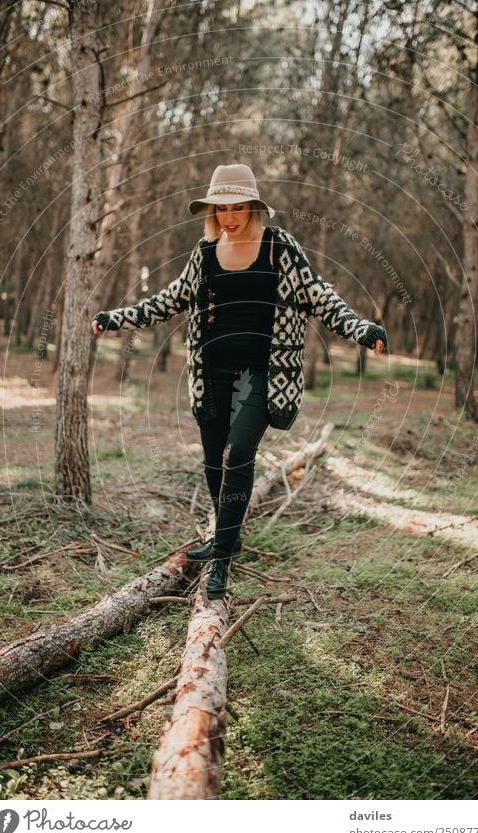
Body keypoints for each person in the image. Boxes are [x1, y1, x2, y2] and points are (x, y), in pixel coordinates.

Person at [91, 163, 388, 600]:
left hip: (267, 376)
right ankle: (226, 535)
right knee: (215, 462)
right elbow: (169, 299)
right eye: (220, 208)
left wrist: (361, 328)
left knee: (239, 451)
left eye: (238, 207)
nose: (229, 216)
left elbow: (318, 295)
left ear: (253, 207)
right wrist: (116, 318)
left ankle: (221, 563)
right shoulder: (206, 252)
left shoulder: (279, 248)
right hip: (211, 375)